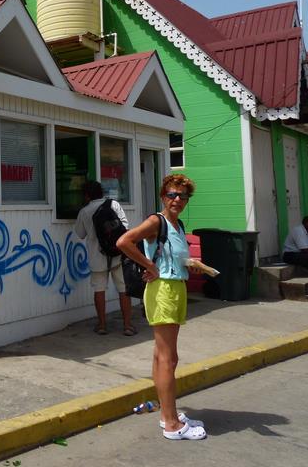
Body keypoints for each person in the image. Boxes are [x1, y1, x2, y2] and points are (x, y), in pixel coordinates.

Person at [117, 173, 207, 441]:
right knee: (169, 358)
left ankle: (167, 414)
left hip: (174, 287)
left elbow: (172, 256)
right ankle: (172, 424)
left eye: (183, 196)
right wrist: (150, 266)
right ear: (162, 196)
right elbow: (124, 241)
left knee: (163, 356)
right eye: (172, 194)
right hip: (164, 290)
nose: (177, 199)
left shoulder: (177, 225)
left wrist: (191, 265)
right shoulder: (156, 221)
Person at [74, 180, 135, 336]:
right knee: (123, 290)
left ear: (87, 195)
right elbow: (125, 227)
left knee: (99, 290)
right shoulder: (113, 204)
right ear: (101, 192)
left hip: (97, 257)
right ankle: (127, 326)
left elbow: (80, 234)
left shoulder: (84, 211)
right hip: (117, 254)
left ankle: (102, 325)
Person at [282, 216, 308, 292]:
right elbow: (305, 250)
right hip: (289, 255)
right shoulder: (298, 231)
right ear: (306, 224)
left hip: (300, 254)